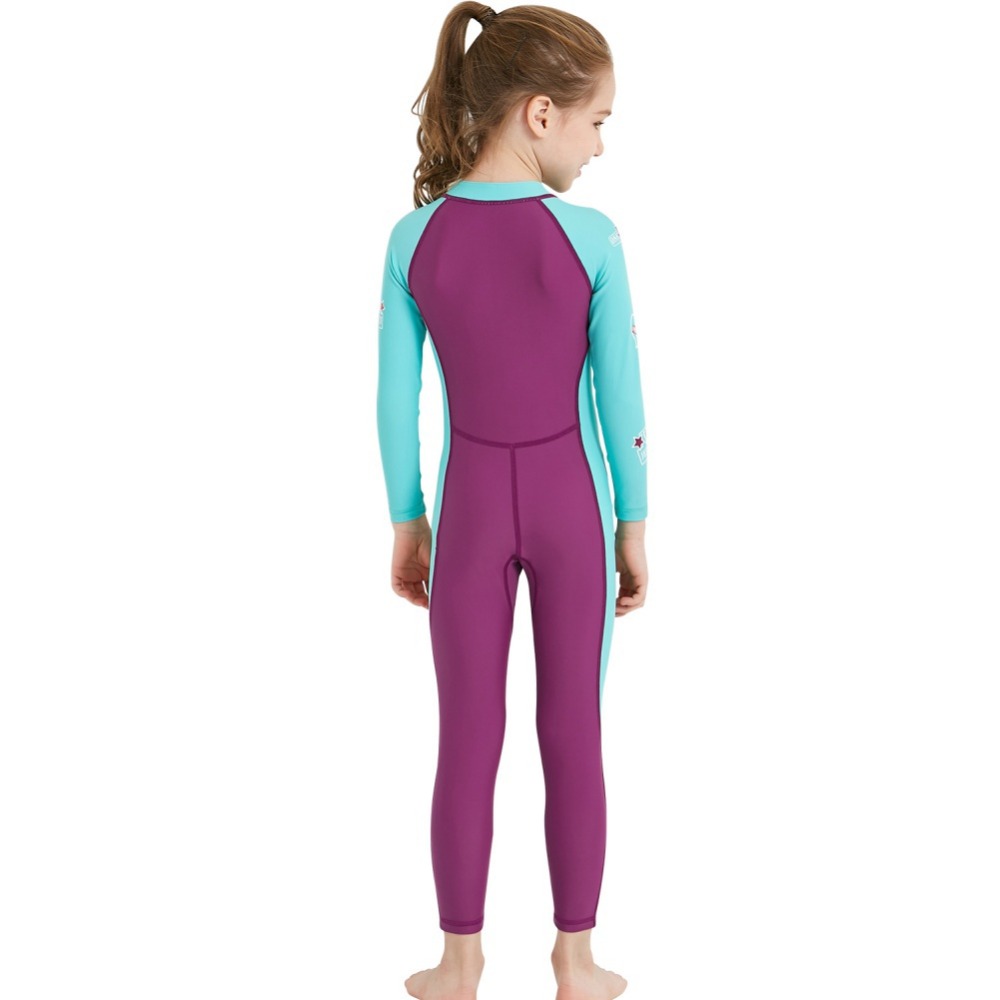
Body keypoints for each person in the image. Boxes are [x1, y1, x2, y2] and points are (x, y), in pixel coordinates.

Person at [376, 4, 648, 997]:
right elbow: (621, 399)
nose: (601, 144)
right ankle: (576, 961)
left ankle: (458, 963)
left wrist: (409, 521)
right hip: (574, 506)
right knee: (573, 729)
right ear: (540, 114)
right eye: (596, 121)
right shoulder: (591, 238)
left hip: (470, 512)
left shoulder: (415, 240)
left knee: (467, 734)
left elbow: (393, 400)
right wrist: (632, 523)